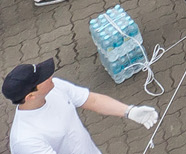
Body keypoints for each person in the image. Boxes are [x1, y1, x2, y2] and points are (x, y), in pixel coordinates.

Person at [3, 60, 156, 149]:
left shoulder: (55, 87)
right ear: (30, 96)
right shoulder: (25, 139)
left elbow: (92, 100)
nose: (50, 76)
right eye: (43, 78)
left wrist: (129, 111)